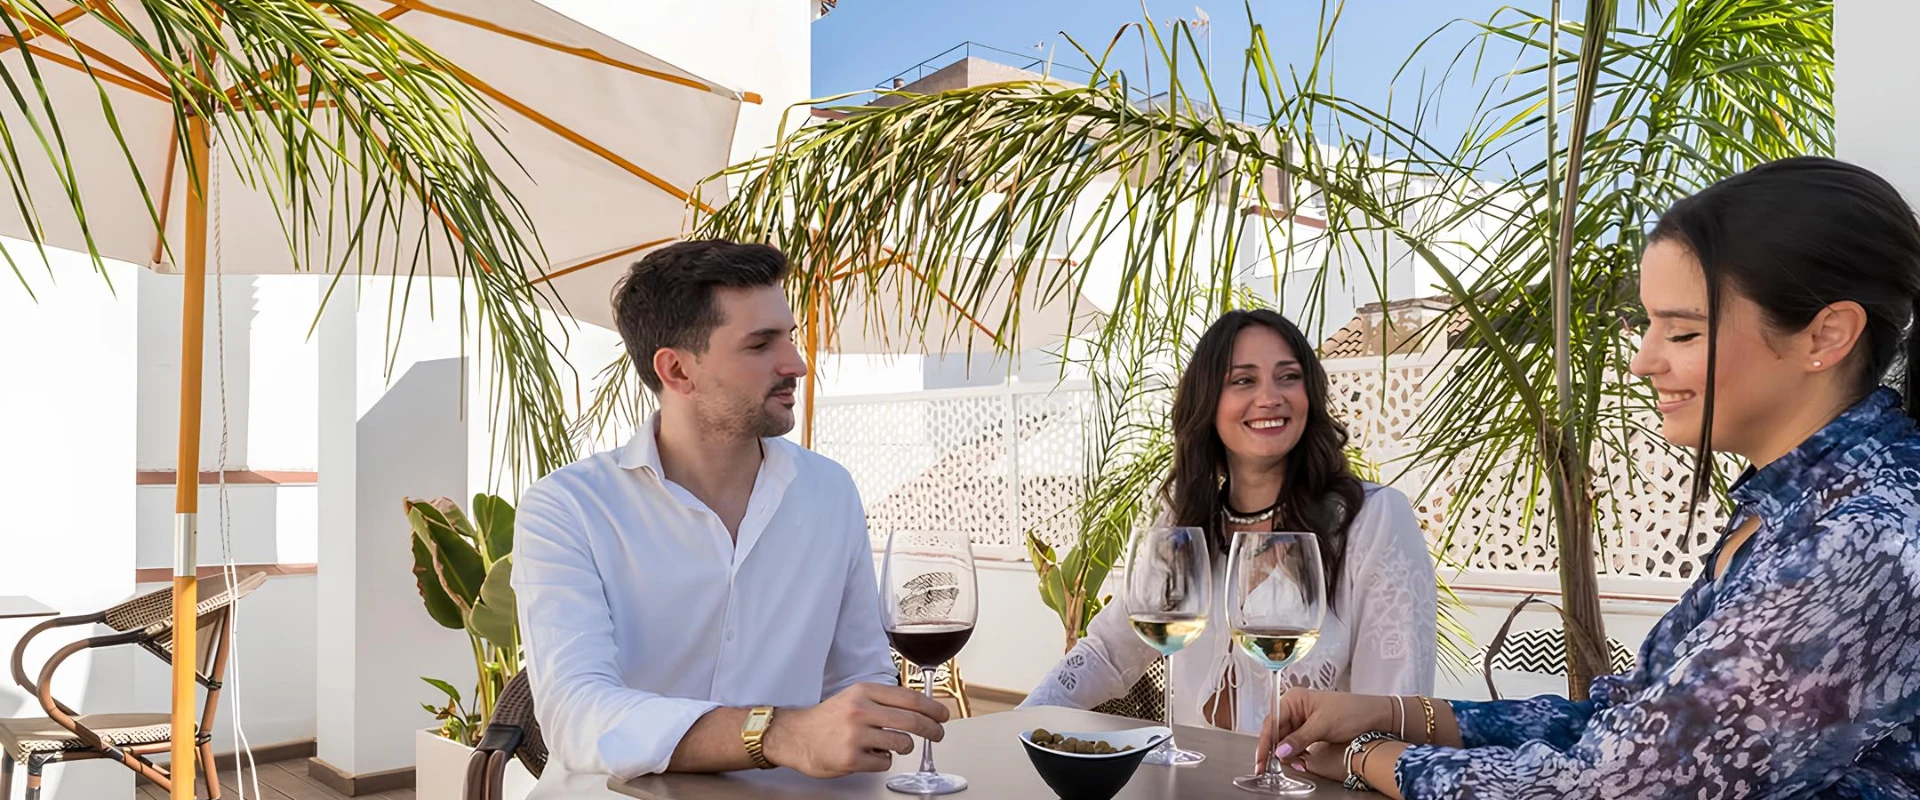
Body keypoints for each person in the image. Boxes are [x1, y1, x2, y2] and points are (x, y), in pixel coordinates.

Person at [1259, 157, 1920, 799]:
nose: (1642, 361)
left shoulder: (1862, 538)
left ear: (1826, 335)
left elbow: (1619, 786)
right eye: (1648, 326)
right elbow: (1624, 726)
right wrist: (1395, 715)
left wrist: (1369, 758)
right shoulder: (1789, 507)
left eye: (1683, 334)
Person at [512, 240, 949, 799]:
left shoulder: (829, 490)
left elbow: (857, 675)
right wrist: (776, 733)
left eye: (788, 335)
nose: (796, 363)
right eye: (761, 344)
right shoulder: (568, 508)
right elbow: (577, 712)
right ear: (676, 369)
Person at [1021, 309, 1437, 735]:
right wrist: (1018, 724)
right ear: (1207, 403)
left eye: (1288, 377)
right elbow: (1109, 651)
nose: (1270, 396)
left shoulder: (1373, 521)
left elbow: (1392, 714)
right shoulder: (1183, 524)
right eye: (1243, 380)